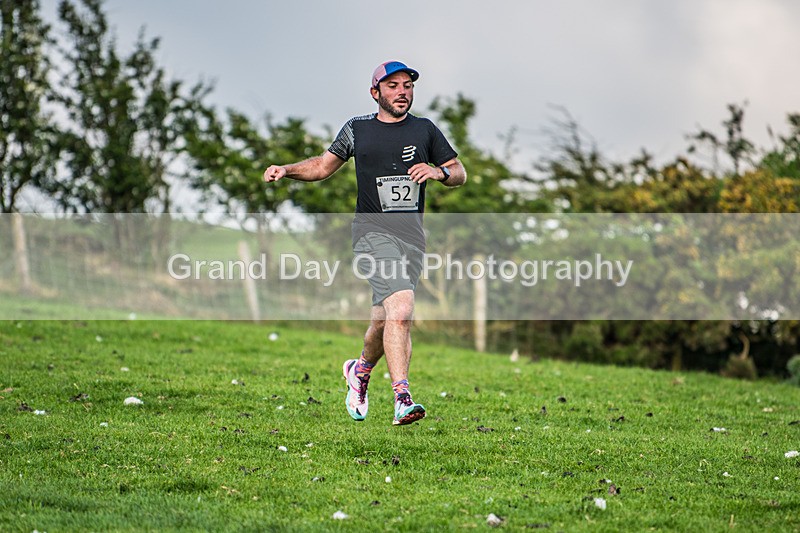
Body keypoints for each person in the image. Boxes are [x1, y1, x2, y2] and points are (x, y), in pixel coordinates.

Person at [263, 60, 466, 426]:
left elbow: (459, 172)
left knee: (384, 318)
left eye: (407, 85)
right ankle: (402, 397)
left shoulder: (425, 130)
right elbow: (323, 167)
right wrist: (287, 169)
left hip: (412, 239)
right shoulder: (357, 129)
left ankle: (359, 370)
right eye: (393, 86)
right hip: (372, 233)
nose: (403, 91)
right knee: (402, 309)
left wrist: (439, 172)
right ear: (376, 93)